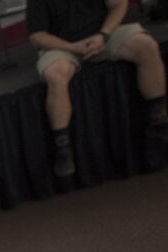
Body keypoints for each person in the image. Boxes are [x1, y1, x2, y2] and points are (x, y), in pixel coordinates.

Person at [27, 0, 168, 177]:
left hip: (103, 35)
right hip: (63, 46)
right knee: (56, 76)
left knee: (147, 47)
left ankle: (159, 122)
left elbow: (118, 4)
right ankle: (63, 148)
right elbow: (36, 36)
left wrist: (103, 34)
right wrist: (71, 47)